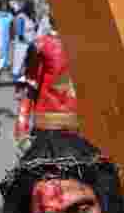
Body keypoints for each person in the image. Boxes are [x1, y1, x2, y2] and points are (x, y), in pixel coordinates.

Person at [14, 18, 78, 152]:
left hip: (77, 129)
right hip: (48, 130)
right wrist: (22, 131)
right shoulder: (40, 47)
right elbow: (30, 89)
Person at [10, 2, 38, 84]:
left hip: (30, 43)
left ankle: (25, 79)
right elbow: (20, 34)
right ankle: (16, 81)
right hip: (22, 44)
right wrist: (28, 42)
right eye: (31, 8)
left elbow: (34, 28)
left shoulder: (31, 17)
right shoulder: (21, 17)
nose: (33, 10)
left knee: (28, 63)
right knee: (18, 62)